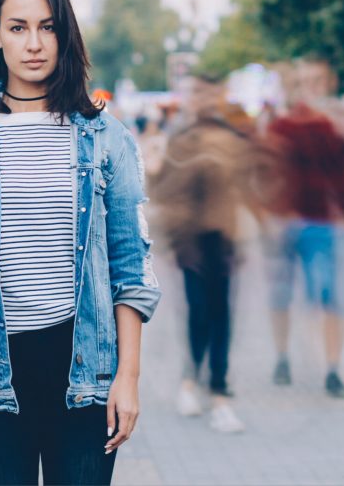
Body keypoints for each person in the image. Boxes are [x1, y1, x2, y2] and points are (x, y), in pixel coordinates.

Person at [0, 0, 160, 485]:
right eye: (19, 27)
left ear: (65, 34)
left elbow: (131, 268)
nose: (34, 43)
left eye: (48, 27)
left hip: (86, 374)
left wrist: (128, 378)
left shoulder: (106, 139)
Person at [148, 75, 266, 434]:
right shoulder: (181, 142)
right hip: (191, 242)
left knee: (222, 316)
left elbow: (247, 186)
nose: (204, 102)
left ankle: (218, 392)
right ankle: (189, 381)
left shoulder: (233, 139)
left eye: (210, 95)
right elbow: (163, 190)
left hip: (223, 240)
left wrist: (256, 226)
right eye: (198, 95)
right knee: (199, 312)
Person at [266, 58, 344, 399]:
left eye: (317, 81)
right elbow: (265, 175)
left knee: (332, 298)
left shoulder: (335, 125)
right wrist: (271, 215)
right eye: (304, 81)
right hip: (286, 224)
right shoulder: (280, 127)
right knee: (281, 294)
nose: (310, 88)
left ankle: (332, 369)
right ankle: (282, 357)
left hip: (325, 223)